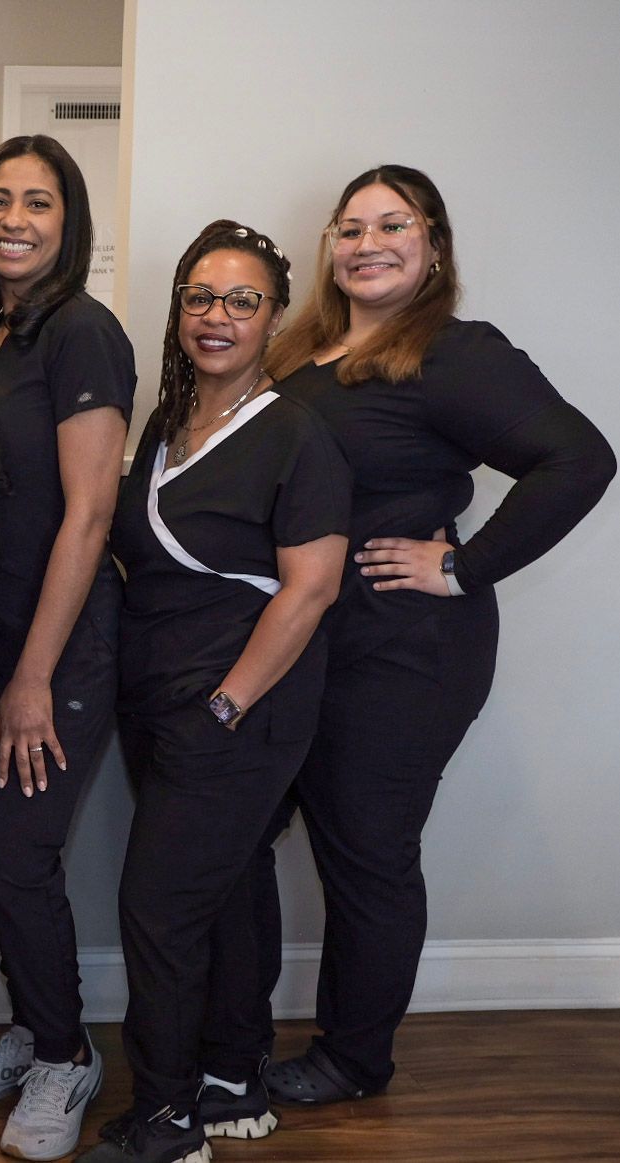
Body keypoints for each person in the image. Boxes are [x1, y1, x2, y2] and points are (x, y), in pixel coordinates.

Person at [256, 165, 615, 1106]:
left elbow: (580, 457)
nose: (366, 242)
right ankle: (232, 1030)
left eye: (392, 224)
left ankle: (350, 1058)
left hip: (403, 648)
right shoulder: (303, 352)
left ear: (432, 244)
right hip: (303, 636)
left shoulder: (454, 352)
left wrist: (462, 566)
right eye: (348, 227)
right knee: (248, 828)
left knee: (367, 849)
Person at [80, 221, 349, 1163]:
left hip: (237, 709)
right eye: (200, 297)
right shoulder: (167, 421)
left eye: (242, 301)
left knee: (156, 910)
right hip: (161, 703)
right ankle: (234, 1078)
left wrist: (226, 705)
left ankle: (164, 1118)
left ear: (275, 317)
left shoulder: (295, 435)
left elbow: (310, 589)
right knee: (227, 887)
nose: (216, 316)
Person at [0, 135, 133, 1160]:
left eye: (38, 201)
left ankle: (65, 1051)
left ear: (69, 221)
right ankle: (30, 1023)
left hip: (56, 650)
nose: (13, 217)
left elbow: (87, 516)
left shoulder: (79, 333)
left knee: (16, 857)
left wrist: (31, 677)